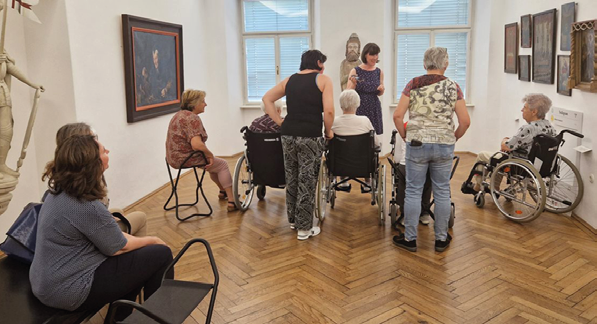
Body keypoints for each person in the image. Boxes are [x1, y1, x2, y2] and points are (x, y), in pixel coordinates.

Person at [30, 135, 173, 321]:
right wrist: (154, 241)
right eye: (104, 151)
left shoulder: (58, 191)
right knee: (161, 254)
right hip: (66, 290)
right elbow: (118, 247)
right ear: (93, 163)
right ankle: (158, 319)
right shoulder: (85, 204)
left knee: (137, 263)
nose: (108, 152)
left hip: (46, 281)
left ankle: (120, 318)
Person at [392, 46, 470, 253]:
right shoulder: (454, 86)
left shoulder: (414, 84)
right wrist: (454, 137)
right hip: (444, 143)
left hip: (417, 143)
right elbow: (465, 121)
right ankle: (441, 239)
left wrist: (404, 135)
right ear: (446, 64)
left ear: (424, 64)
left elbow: (397, 116)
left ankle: (410, 239)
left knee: (413, 191)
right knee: (443, 191)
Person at [262, 49, 334, 240]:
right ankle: (304, 228)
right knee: (307, 179)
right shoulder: (323, 80)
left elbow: (266, 98)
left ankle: (293, 221)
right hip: (309, 135)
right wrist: (328, 132)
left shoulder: (289, 80)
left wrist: (279, 122)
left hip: (288, 135)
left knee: (292, 176)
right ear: (318, 62)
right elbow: (329, 112)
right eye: (323, 63)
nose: (324, 67)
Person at [52, 122, 147, 236]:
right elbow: (91, 214)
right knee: (141, 218)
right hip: (87, 239)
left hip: (82, 229)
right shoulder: (83, 180)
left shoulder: (63, 173)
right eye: (93, 141)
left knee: (118, 211)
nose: (101, 147)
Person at [166, 89, 237, 211]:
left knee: (213, 166)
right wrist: (210, 154)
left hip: (172, 158)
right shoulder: (192, 118)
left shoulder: (178, 115)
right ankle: (232, 201)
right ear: (194, 104)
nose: (205, 104)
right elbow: (197, 145)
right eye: (203, 101)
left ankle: (222, 191)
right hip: (185, 158)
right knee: (222, 164)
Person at [468, 94, 556, 192]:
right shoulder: (550, 127)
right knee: (500, 156)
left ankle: (478, 186)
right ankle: (494, 186)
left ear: (534, 112)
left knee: (484, 155)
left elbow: (506, 146)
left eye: (525, 107)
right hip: (542, 166)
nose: (522, 110)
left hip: (521, 164)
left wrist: (504, 140)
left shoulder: (528, 128)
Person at [0, 50, 44, 182]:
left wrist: (32, 84)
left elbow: (11, 69)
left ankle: (1, 164)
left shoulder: (1, 50)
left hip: (3, 95)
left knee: (6, 133)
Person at [331, 89, 378, 193]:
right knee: (368, 151)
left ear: (340, 105)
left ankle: (343, 180)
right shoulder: (365, 120)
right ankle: (367, 182)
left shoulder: (334, 121)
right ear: (358, 104)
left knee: (341, 150)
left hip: (339, 165)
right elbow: (375, 143)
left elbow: (327, 143)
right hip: (363, 165)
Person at [394, 122, 433, 228]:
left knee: (403, 181)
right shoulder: (430, 131)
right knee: (427, 182)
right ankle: (424, 213)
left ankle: (404, 214)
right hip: (425, 166)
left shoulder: (402, 130)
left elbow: (397, 158)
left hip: (406, 165)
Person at [346, 43, 384, 141]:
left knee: (373, 136)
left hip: (374, 106)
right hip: (359, 106)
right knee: (359, 134)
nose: (375, 57)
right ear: (365, 55)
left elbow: (379, 93)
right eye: (372, 55)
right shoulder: (355, 70)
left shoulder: (379, 72)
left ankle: (372, 155)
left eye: (377, 55)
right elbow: (348, 93)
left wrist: (381, 90)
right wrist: (353, 84)